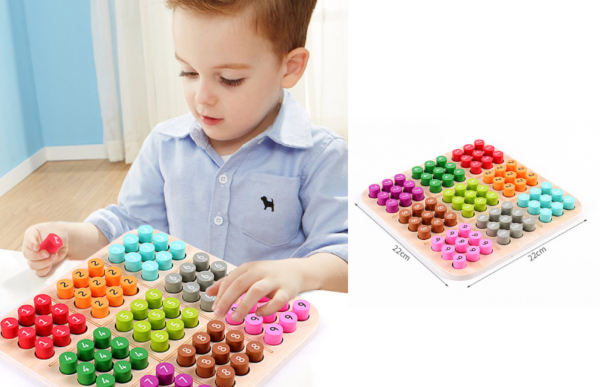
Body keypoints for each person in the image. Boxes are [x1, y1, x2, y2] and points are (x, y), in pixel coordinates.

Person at [22, 0, 347, 323]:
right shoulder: (166, 144)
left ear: (289, 68)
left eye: (230, 79)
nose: (201, 96)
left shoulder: (321, 156)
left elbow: (345, 254)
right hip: (178, 326)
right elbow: (129, 227)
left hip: (267, 332)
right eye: (188, 71)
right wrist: (69, 237)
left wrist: (300, 272)